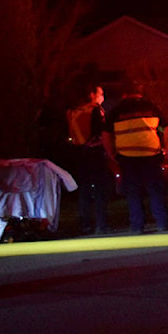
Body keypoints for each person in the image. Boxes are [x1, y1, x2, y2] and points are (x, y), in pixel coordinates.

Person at [102, 80, 168, 233]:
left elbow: (106, 135)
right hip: (151, 155)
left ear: (124, 94)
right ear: (141, 93)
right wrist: (165, 147)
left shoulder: (116, 111)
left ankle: (137, 226)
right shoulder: (151, 107)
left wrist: (111, 153)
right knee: (155, 189)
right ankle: (162, 222)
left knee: (133, 192)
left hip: (127, 157)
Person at [66, 84, 112, 234]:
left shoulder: (72, 111)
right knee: (100, 190)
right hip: (95, 153)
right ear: (92, 94)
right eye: (100, 93)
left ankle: (86, 225)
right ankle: (102, 224)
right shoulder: (95, 110)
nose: (102, 97)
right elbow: (101, 133)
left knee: (84, 191)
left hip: (78, 154)